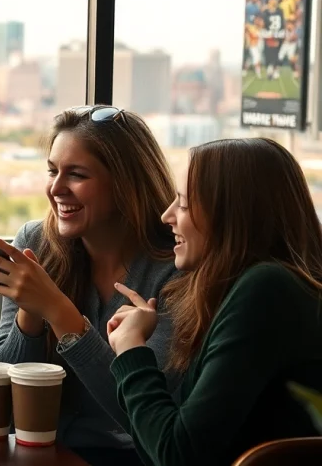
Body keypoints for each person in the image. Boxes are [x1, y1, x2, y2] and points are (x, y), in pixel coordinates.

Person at [0, 106, 178, 466]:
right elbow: (2, 400)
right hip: (40, 453)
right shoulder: (35, 242)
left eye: (77, 175)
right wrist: (30, 313)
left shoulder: (173, 267)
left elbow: (145, 419)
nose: (55, 189)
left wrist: (57, 310)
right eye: (52, 171)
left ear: (126, 183)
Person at [108, 138, 322, 466]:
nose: (167, 216)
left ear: (231, 214)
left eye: (183, 204)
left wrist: (131, 348)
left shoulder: (267, 290)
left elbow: (177, 455)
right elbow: (158, 450)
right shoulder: (252, 288)